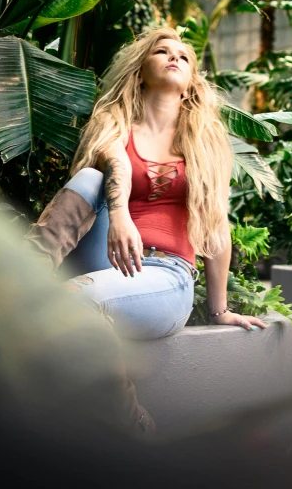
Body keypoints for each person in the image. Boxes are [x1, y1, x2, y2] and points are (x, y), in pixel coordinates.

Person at [25, 26, 267, 431]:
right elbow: (107, 169)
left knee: (70, 303)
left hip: (165, 277)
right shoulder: (113, 124)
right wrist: (120, 213)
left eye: (184, 56)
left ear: (191, 83)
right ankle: (23, 273)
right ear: (139, 71)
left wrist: (219, 309)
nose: (174, 57)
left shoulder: (205, 142)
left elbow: (215, 227)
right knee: (91, 177)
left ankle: (131, 424)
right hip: (104, 257)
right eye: (162, 51)